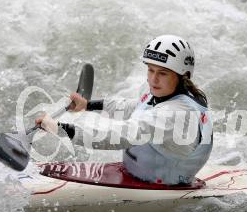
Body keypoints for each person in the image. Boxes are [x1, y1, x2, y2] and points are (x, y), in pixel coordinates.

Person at [36, 34, 213, 185]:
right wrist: (87, 105)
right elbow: (133, 107)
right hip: (139, 175)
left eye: (163, 73)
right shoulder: (165, 95)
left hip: (161, 187)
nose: (153, 79)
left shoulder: (176, 114)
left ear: (183, 76)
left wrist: (59, 128)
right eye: (151, 70)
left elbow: (118, 136)